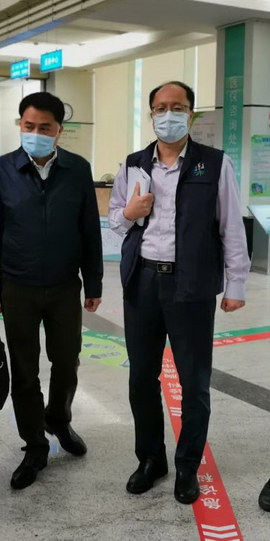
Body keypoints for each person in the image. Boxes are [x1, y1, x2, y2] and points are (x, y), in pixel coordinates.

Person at [109, 81, 250, 504]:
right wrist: (129, 212)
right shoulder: (134, 164)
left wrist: (236, 283)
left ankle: (188, 464)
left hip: (192, 284)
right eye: (160, 107)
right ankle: (151, 459)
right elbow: (116, 220)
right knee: (141, 377)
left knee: (194, 381)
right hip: (143, 281)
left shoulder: (215, 163)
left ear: (190, 113)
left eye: (178, 107)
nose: (168, 114)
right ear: (150, 114)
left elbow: (231, 226)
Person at [0, 91, 103, 490]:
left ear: (59, 130)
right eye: (28, 126)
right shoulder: (0, 170)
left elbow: (89, 230)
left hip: (65, 286)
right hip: (18, 287)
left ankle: (58, 420)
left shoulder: (77, 169)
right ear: (20, 125)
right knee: (25, 371)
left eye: (44, 127)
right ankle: (34, 446)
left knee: (66, 362)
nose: (35, 133)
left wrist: (94, 282)